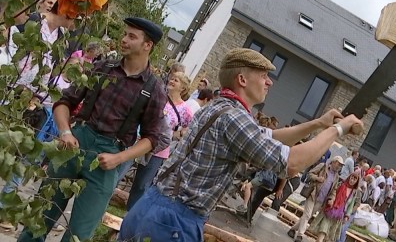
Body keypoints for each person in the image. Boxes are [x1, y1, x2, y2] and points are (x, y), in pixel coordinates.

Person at [118, 48, 364, 242]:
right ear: (242, 79)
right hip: (174, 221)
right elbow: (291, 163)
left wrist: (318, 123)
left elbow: (270, 137)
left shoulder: (221, 106)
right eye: (264, 76)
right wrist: (337, 130)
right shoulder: (234, 118)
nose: (269, 82)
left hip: (153, 205)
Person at [17, 17, 170, 242]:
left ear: (148, 45)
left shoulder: (154, 89)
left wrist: (119, 158)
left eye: (132, 36)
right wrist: (65, 132)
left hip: (108, 158)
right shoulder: (101, 68)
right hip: (76, 141)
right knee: (38, 218)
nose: (124, 39)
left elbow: (152, 138)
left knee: (79, 235)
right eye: (124, 34)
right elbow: (64, 102)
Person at [125, 71, 193, 210]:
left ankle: (131, 212)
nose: (172, 81)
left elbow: (189, 129)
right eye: (171, 78)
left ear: (183, 88)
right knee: (120, 171)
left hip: (158, 150)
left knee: (142, 184)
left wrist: (175, 134)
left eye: (176, 80)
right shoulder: (159, 97)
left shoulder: (185, 109)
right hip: (139, 141)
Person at [290, 155, 344, 242]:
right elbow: (310, 174)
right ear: (334, 162)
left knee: (307, 216)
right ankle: (300, 236)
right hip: (313, 194)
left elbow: (334, 190)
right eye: (339, 164)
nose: (339, 166)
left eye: (341, 165)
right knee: (307, 215)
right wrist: (317, 178)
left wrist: (332, 198)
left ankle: (292, 229)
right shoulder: (323, 166)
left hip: (321, 200)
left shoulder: (336, 176)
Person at [309, 170, 362, 242]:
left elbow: (350, 205)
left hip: (338, 216)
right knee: (323, 231)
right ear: (349, 177)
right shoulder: (341, 185)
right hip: (330, 211)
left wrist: (347, 216)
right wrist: (331, 200)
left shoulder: (353, 193)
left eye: (354, 179)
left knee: (329, 237)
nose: (352, 180)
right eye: (351, 178)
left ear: (356, 182)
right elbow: (333, 193)